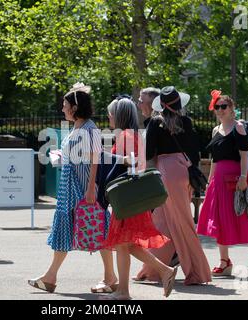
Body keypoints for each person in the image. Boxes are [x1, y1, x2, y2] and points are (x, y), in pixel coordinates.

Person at [28, 83, 116, 294]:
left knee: (96, 227)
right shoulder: (79, 127)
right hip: (71, 183)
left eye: (65, 105)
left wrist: (91, 187)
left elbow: (96, 158)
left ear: (74, 108)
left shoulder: (89, 128)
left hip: (81, 184)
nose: (62, 108)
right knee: (84, 227)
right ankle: (106, 276)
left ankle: (107, 276)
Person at [101, 97, 177, 300]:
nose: (109, 116)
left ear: (119, 115)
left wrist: (106, 156)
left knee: (123, 244)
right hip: (132, 198)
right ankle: (163, 272)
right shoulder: (131, 135)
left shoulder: (126, 135)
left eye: (111, 112)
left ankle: (124, 291)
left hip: (128, 199)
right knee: (126, 244)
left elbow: (132, 163)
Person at [135, 86, 212, 286]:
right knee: (164, 222)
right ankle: (151, 269)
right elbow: (195, 153)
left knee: (179, 224)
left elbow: (149, 152)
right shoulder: (186, 122)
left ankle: (197, 271)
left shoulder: (155, 122)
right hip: (183, 171)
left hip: (166, 171)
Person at [197, 91, 248, 276]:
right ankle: (224, 261)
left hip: (234, 180)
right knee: (220, 219)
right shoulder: (215, 130)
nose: (219, 110)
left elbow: (245, 154)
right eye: (217, 107)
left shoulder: (239, 127)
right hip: (218, 181)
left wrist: (243, 178)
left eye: (223, 106)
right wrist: (209, 181)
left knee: (242, 216)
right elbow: (214, 160)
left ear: (231, 108)